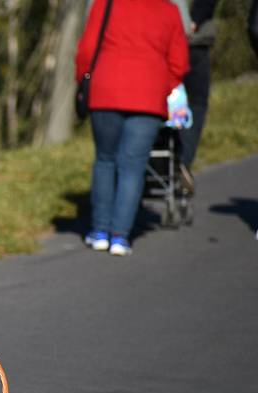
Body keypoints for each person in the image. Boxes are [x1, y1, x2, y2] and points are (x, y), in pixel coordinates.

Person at [76, 0, 189, 256]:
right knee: (133, 166)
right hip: (148, 96)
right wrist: (163, 84)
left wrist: (82, 80)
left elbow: (87, 50)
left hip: (106, 91)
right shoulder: (169, 11)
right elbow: (180, 62)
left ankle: (100, 231)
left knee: (105, 159)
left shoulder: (106, 4)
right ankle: (120, 236)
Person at [176, 0, 219, 192]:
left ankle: (167, 158)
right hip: (193, 40)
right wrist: (194, 20)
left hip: (156, 38)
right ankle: (182, 160)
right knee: (195, 103)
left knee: (168, 99)